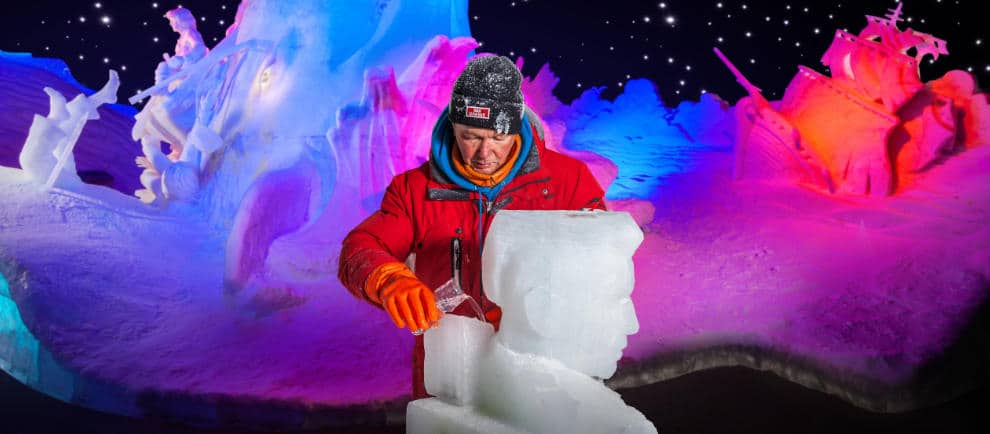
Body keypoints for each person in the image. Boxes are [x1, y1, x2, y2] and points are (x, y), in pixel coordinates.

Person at [338, 55, 607, 399]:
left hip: (538, 369)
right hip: (451, 371)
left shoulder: (567, 180)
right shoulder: (414, 190)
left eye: (497, 136)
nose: (484, 152)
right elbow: (361, 246)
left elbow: (602, 252)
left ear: (515, 125)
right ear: (454, 127)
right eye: (470, 136)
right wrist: (388, 279)